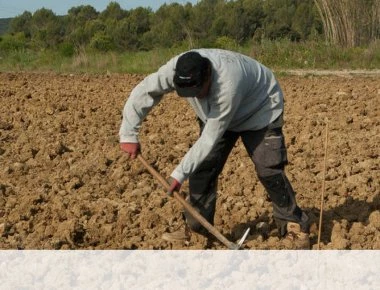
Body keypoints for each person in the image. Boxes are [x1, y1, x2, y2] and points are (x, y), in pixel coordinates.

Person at [119, 49, 310, 249]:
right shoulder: (175, 70)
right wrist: (128, 133)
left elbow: (210, 137)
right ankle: (197, 231)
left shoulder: (228, 83)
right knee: (203, 168)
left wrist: (178, 174)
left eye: (198, 92)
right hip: (215, 115)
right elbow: (145, 90)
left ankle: (294, 225)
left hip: (260, 110)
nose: (195, 98)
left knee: (269, 169)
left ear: (208, 76)